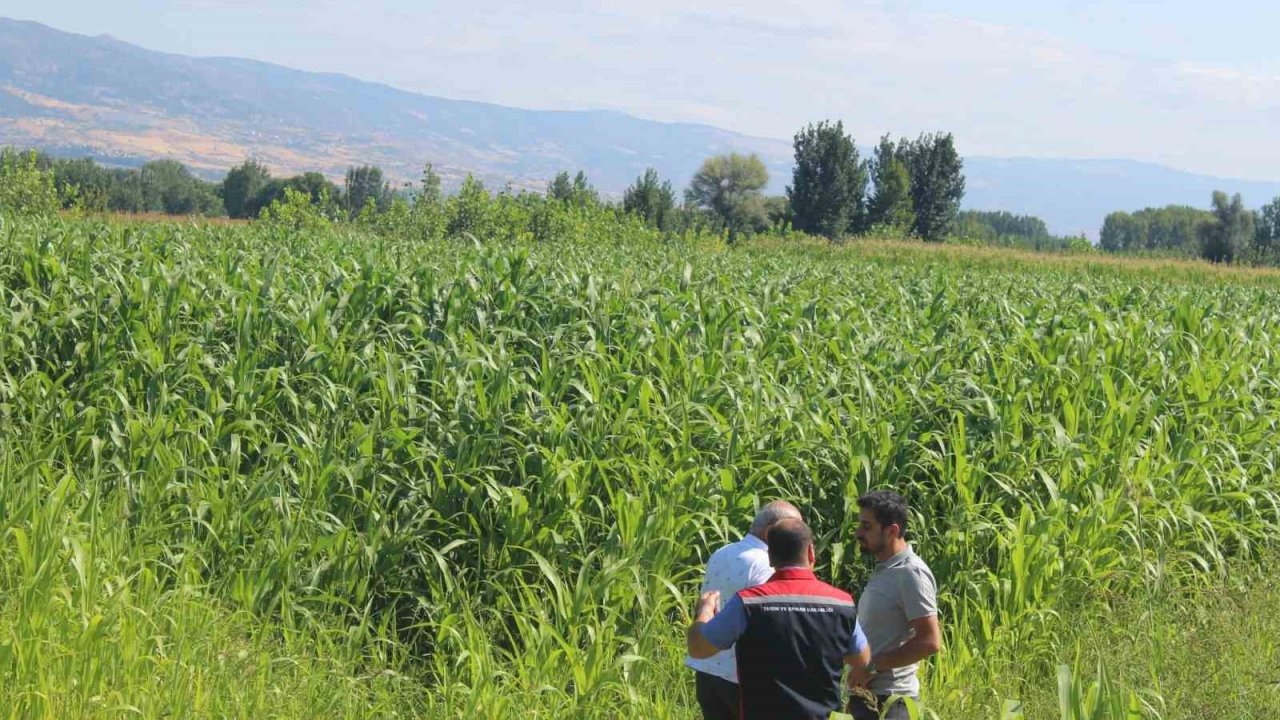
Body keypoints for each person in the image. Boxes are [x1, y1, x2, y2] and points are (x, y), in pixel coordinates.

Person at [686, 518, 873, 720]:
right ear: (811, 552)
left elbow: (698, 648)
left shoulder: (748, 603)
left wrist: (704, 611)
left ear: (770, 557)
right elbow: (861, 659)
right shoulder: (841, 603)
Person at [684, 500, 802, 720]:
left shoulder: (722, 551)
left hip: (708, 671)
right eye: (792, 531)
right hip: (741, 678)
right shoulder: (765, 564)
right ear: (770, 532)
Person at [848, 490, 942, 720]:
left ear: (892, 531)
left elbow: (930, 641)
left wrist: (871, 667)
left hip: (892, 703)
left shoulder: (911, 572)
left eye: (867, 526)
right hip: (869, 697)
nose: (858, 533)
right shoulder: (886, 570)